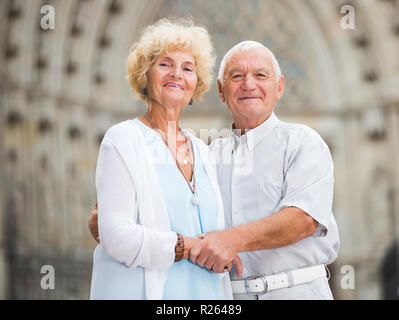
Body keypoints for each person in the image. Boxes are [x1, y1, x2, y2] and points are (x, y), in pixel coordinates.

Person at [89, 40, 340, 300]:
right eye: (236, 76)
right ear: (221, 90)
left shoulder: (303, 142)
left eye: (261, 75)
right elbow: (173, 216)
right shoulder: (206, 155)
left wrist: (232, 240)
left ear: (279, 86)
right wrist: (115, 226)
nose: (249, 84)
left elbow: (303, 220)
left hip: (295, 291)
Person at [89, 17, 241, 300]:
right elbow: (116, 236)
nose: (176, 74)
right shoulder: (123, 139)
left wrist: (226, 250)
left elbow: (214, 235)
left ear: (196, 85)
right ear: (145, 77)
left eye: (187, 68)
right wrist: (187, 246)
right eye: (164, 64)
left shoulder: (203, 151)